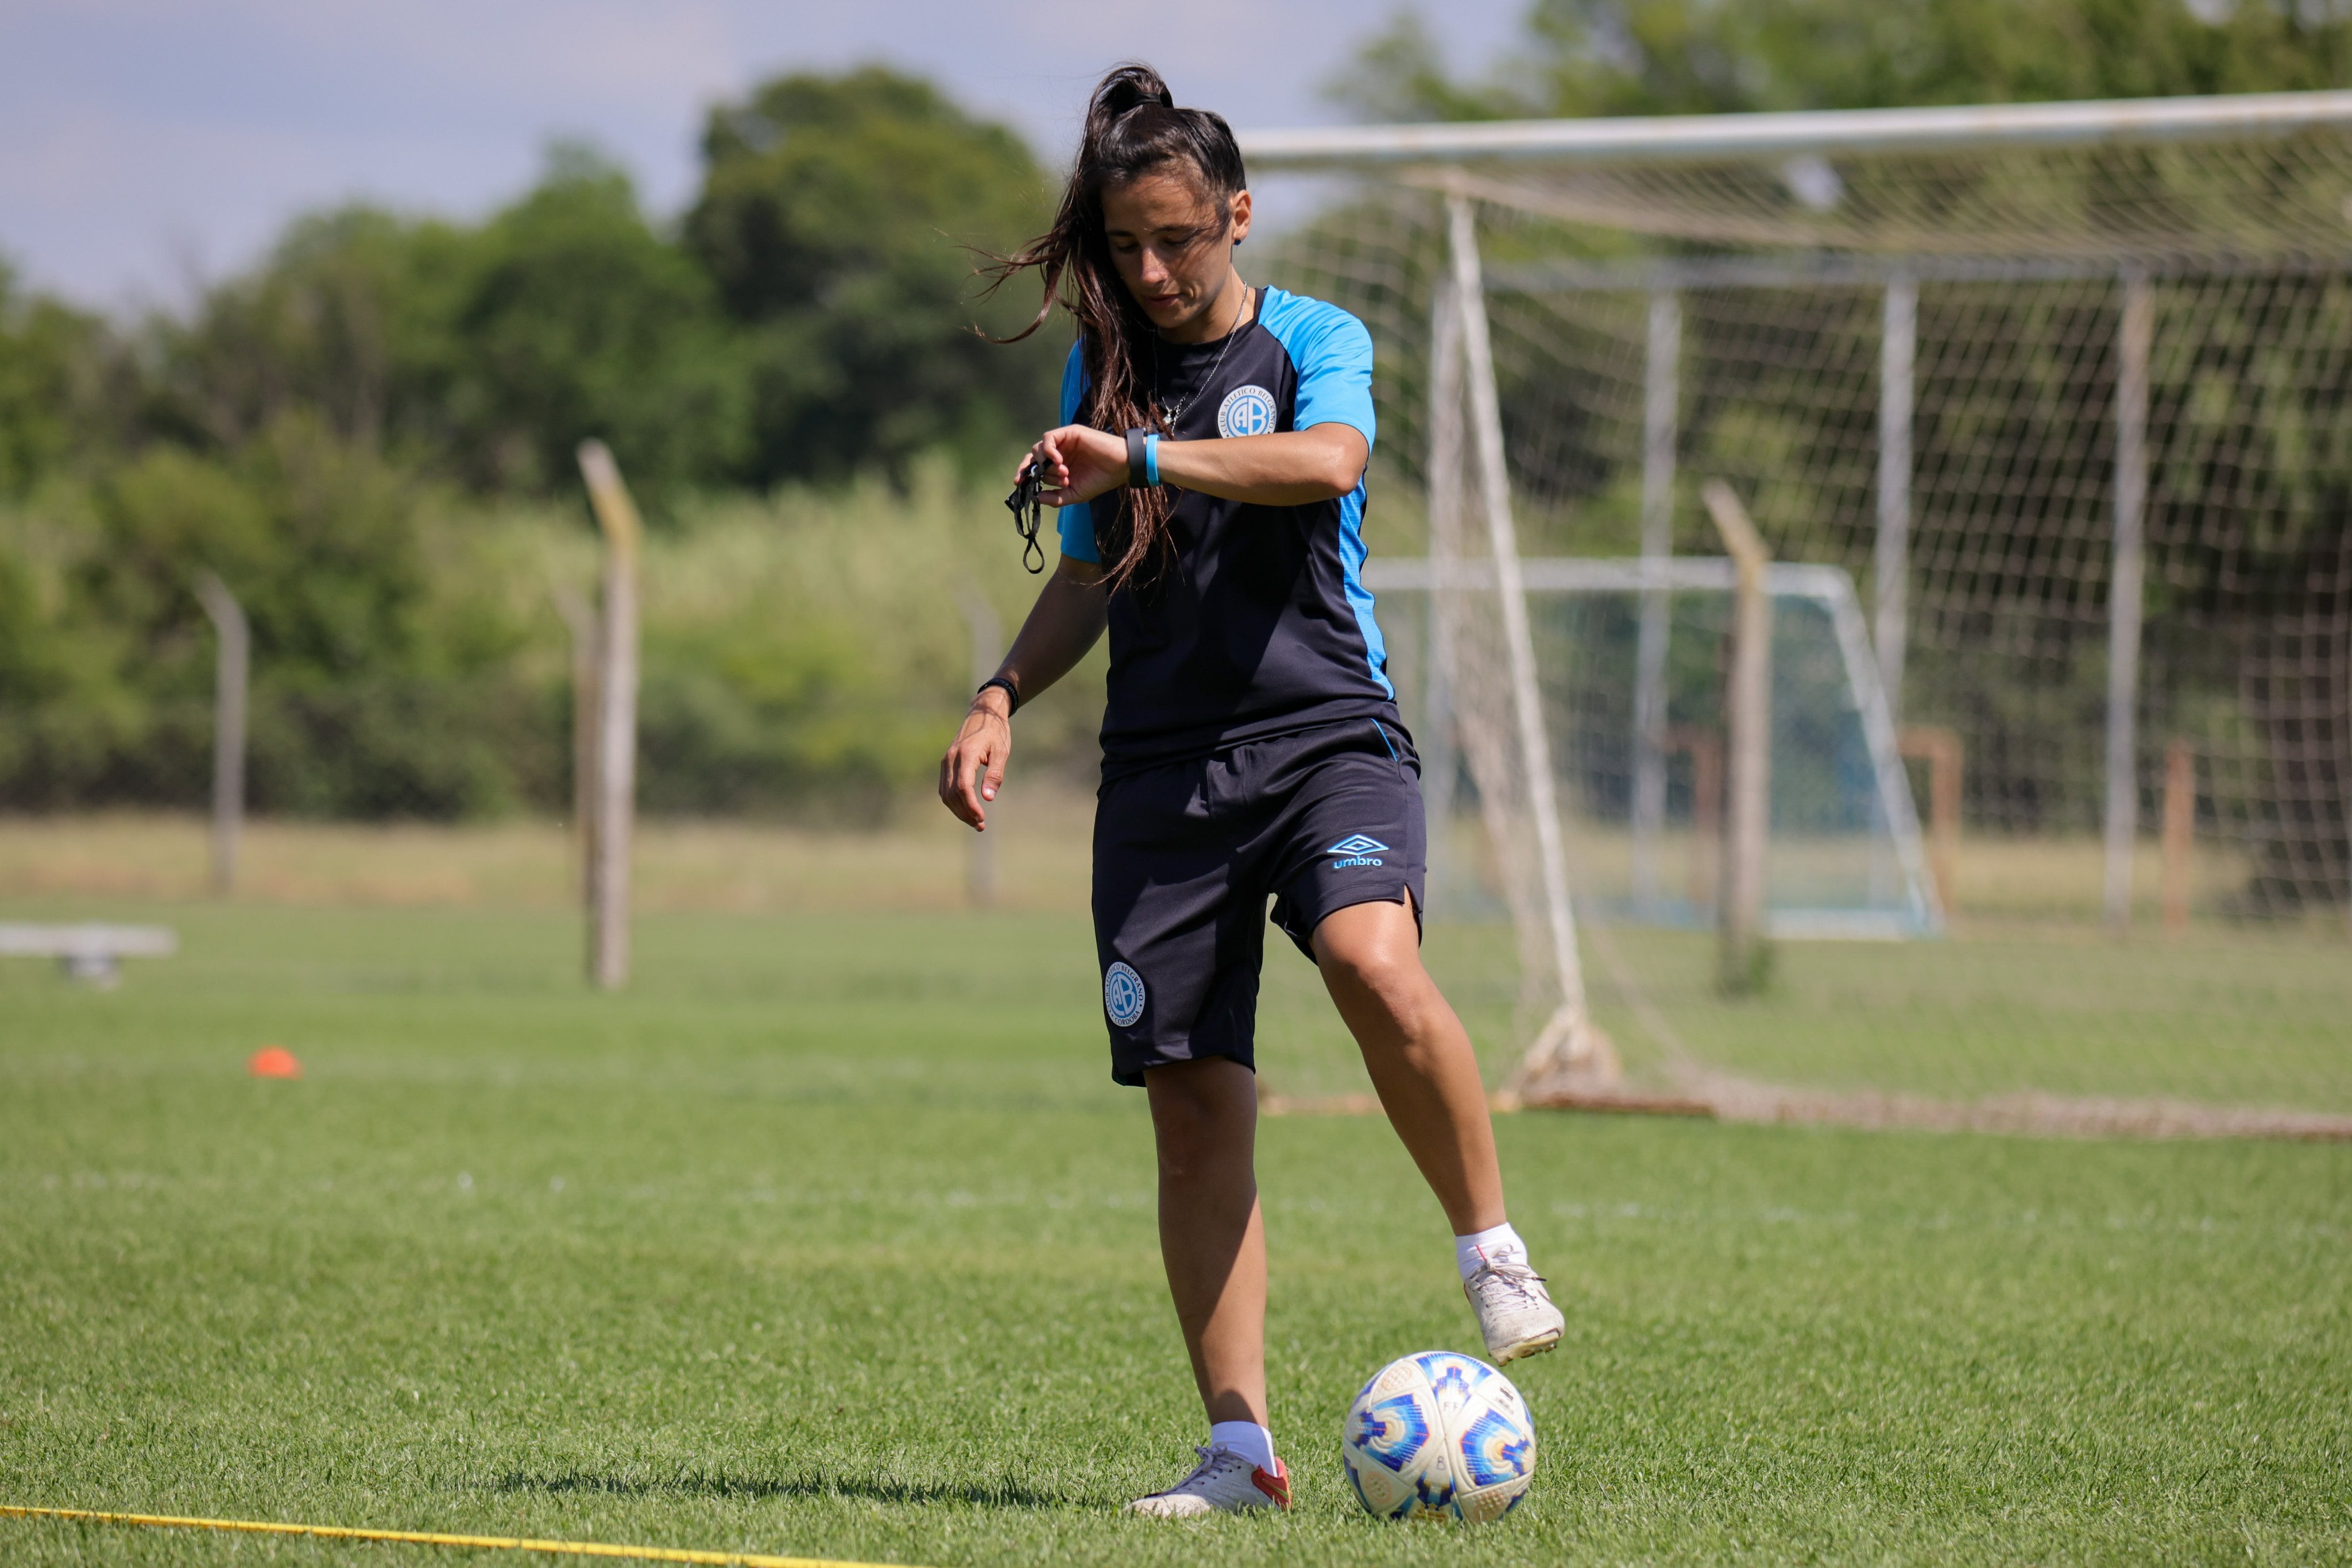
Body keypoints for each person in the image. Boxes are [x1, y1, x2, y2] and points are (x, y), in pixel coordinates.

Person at [938, 62, 1562, 1520]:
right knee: (1192, 1108)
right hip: (1162, 773)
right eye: (1124, 248)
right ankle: (1238, 1452)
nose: (1150, 272)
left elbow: (1325, 461)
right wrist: (997, 694)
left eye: (1175, 239)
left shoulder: (1314, 337)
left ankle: (1487, 1248)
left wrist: (1144, 454)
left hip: (1325, 733)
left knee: (1368, 958)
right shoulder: (1097, 379)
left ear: (1235, 215)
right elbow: (1086, 575)